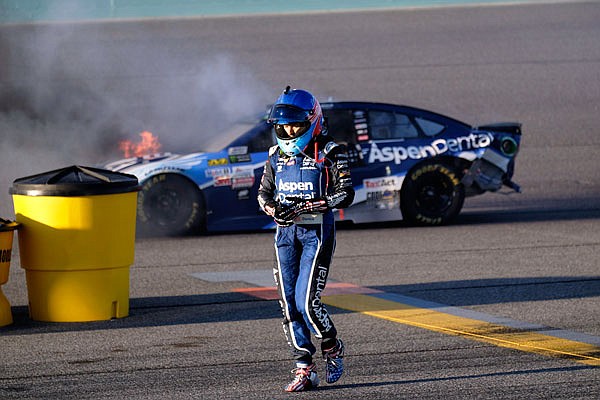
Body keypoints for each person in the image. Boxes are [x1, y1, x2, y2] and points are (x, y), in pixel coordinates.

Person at [258, 86, 355, 392]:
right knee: (288, 305)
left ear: (311, 121)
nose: (288, 131)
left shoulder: (330, 151)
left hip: (316, 233)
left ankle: (332, 345)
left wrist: (315, 204)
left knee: (307, 303)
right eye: (283, 125)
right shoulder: (274, 155)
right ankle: (304, 367)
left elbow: (346, 193)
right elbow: (263, 194)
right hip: (285, 235)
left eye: (295, 124)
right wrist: (274, 209)